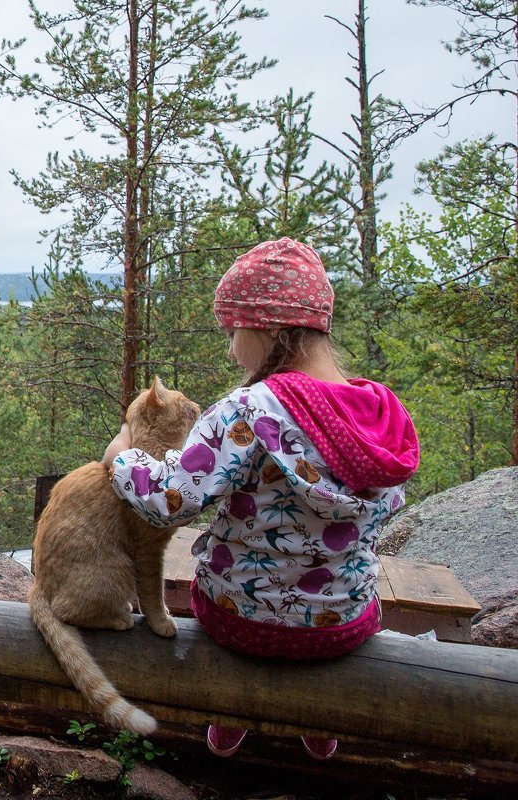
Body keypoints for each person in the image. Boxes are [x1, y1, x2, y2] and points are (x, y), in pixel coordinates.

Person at [102, 236, 420, 760]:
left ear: (271, 327)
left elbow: (170, 501)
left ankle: (231, 718)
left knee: (215, 586)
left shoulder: (249, 410)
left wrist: (121, 458)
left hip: (239, 618)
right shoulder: (380, 416)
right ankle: (317, 725)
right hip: (342, 623)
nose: (230, 349)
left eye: (234, 330)